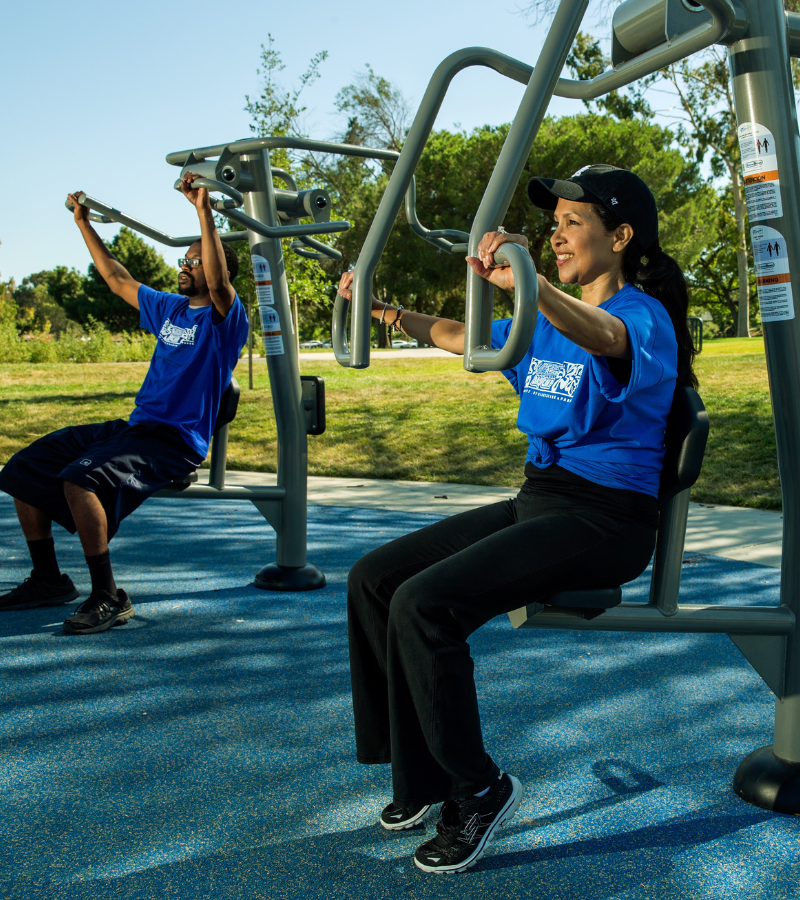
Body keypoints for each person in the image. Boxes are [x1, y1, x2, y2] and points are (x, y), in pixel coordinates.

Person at [339, 165, 696, 874]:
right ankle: (423, 776)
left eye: (573, 223)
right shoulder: (544, 319)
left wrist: (535, 285)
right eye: (554, 223)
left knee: (425, 604)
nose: (556, 235)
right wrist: (381, 313)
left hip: (608, 520)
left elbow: (605, 336)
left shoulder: (641, 315)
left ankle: (478, 788)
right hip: (542, 498)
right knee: (375, 579)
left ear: (620, 236)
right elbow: (458, 332)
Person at [0, 173, 249, 634]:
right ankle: (48, 579)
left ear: (217, 269)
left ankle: (108, 596)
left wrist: (203, 212)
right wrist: (83, 224)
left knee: (81, 479)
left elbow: (217, 284)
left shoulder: (226, 318)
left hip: (174, 442)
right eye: (185, 259)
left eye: (195, 261)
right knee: (23, 467)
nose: (186, 266)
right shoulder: (169, 308)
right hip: (134, 429)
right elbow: (117, 278)